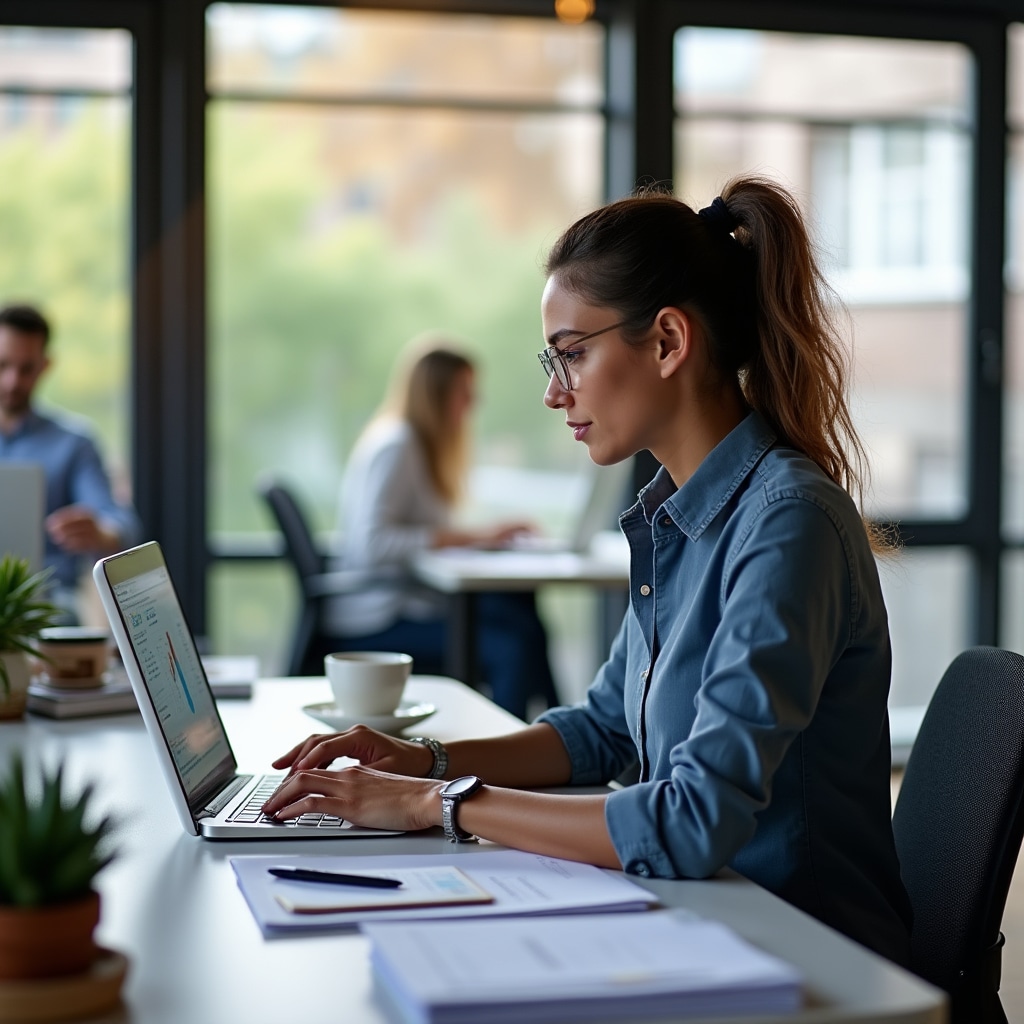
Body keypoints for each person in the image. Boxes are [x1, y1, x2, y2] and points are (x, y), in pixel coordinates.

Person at [263, 178, 913, 966]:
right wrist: (425, 762)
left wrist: (433, 804)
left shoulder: (787, 523)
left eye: (572, 354)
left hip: (807, 951)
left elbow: (691, 820)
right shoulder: (675, 512)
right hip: (704, 915)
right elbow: (603, 730)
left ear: (669, 342)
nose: (551, 392)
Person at [323, 338, 559, 719]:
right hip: (378, 614)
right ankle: (506, 754)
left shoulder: (414, 445)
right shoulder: (396, 445)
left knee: (523, 617)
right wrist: (476, 537)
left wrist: (481, 538)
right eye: (465, 391)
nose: (473, 403)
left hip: (406, 601)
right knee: (513, 645)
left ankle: (554, 733)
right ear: (437, 394)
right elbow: (373, 543)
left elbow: (422, 531)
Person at [0, 303, 141, 619]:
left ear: (45, 365)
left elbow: (121, 523)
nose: (12, 382)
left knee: (61, 617)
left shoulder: (74, 442)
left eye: (26, 368)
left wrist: (102, 534)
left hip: (46, 603)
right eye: (3, 365)